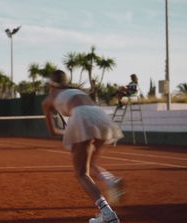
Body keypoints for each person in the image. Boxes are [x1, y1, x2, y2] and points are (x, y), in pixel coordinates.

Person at [42, 70, 124, 223]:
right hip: (100, 115)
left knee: (81, 173)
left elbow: (53, 131)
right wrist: (75, 134)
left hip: (81, 117)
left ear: (50, 84)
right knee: (90, 163)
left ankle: (107, 213)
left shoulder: (49, 99)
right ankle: (110, 180)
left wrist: (70, 133)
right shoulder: (77, 91)